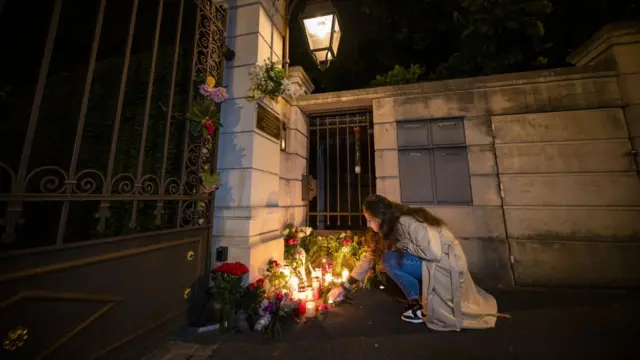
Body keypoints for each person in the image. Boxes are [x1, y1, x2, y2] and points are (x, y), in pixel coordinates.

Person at [327, 194, 501, 331]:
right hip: (433, 262)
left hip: (445, 265)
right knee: (388, 260)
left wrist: (401, 245)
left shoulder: (407, 221)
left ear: (380, 217)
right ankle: (420, 301)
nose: (368, 223)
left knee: (390, 260)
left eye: (370, 219)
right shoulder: (387, 229)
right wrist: (344, 287)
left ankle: (421, 307)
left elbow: (433, 252)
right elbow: (368, 258)